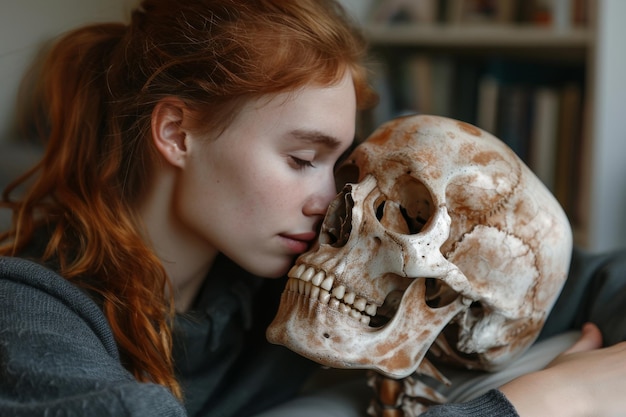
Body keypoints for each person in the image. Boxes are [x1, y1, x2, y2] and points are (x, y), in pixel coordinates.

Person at [0, 1, 625, 416]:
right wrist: (550, 398)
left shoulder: (274, 278)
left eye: (338, 166)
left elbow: (579, 278)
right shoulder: (27, 311)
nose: (330, 203)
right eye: (303, 159)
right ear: (177, 134)